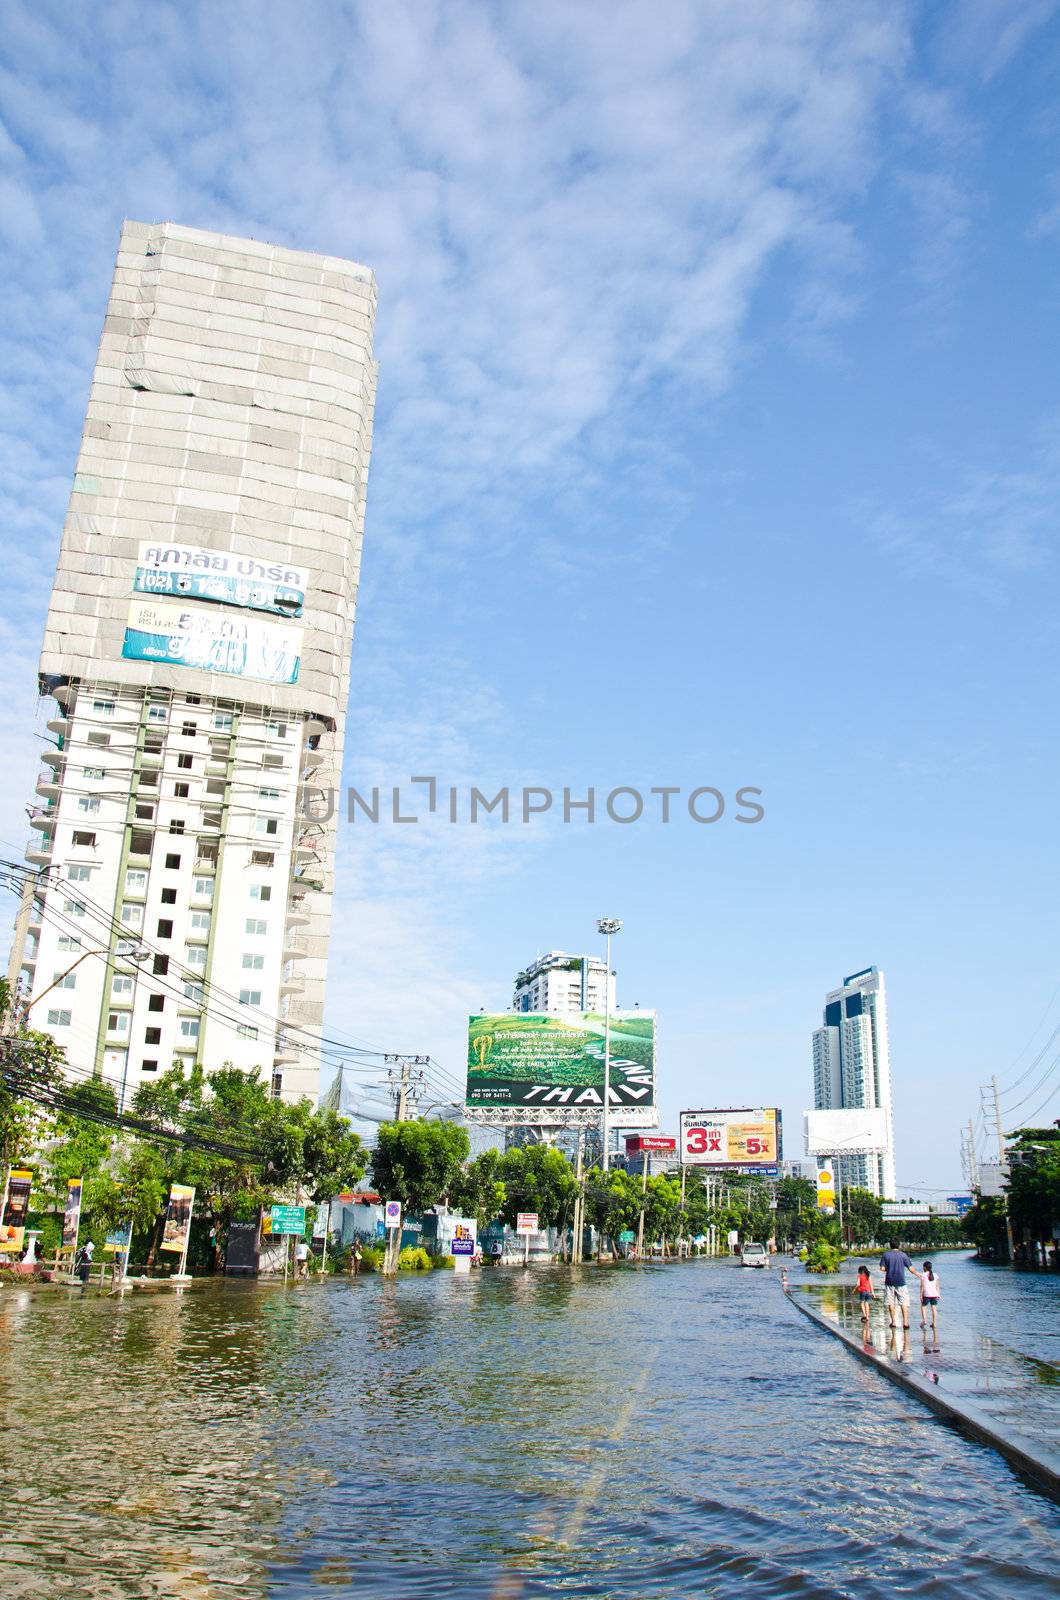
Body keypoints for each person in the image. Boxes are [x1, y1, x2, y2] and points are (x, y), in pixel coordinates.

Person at [878, 1240, 921, 1330]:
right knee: (904, 1302)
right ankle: (905, 1322)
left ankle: (893, 1321)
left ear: (890, 1245)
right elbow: (911, 1269)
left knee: (890, 1302)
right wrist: (919, 1275)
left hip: (889, 1281)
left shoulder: (886, 1255)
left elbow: (882, 1269)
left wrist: (889, 1270)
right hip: (901, 1281)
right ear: (899, 1245)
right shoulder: (903, 1255)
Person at [920, 1260, 941, 1336]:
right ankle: (934, 1323)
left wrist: (920, 1295)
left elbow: (922, 1286)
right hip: (934, 1294)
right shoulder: (935, 1275)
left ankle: (924, 1320)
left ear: (925, 1267)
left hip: (926, 1294)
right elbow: (937, 1286)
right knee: (934, 1308)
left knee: (923, 1307)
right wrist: (938, 1294)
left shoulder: (923, 1275)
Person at [856, 1262, 875, 1333]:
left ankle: (864, 1315)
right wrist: (873, 1293)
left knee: (862, 1303)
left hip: (862, 1291)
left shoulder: (859, 1276)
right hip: (868, 1291)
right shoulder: (868, 1275)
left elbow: (857, 1284)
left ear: (860, 1271)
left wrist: (855, 1289)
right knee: (867, 1303)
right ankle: (868, 1316)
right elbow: (871, 1284)